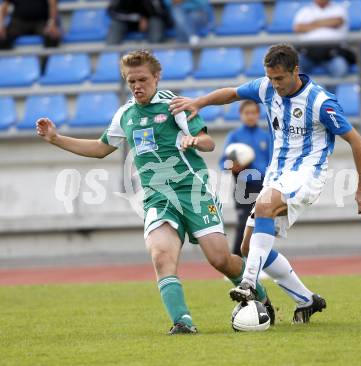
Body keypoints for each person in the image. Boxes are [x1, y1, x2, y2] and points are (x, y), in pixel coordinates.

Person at [36, 50, 274, 334]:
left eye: (142, 79)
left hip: (193, 191)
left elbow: (209, 143)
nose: (137, 86)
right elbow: (100, 149)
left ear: (156, 77)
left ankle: (260, 297)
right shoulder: (125, 115)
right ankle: (182, 322)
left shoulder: (174, 106)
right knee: (161, 256)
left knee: (220, 259)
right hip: (158, 197)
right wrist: (56, 138)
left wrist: (193, 140)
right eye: (130, 81)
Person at [170, 44, 361, 323]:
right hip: (276, 174)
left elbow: (357, 140)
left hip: (307, 173)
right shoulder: (266, 87)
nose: (274, 84)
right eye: (270, 78)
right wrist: (198, 102)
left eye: (280, 78)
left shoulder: (320, 102)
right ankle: (306, 300)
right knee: (247, 247)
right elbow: (231, 93)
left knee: (264, 209)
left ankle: (249, 283)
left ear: (295, 71)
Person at [220, 100, 271, 256]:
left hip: (263, 185)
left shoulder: (266, 136)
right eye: (246, 113)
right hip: (243, 186)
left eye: (253, 113)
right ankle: (236, 261)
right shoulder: (234, 136)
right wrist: (231, 166)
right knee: (244, 223)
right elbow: (223, 162)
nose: (250, 116)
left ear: (258, 114)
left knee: (263, 225)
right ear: (241, 115)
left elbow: (272, 162)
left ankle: (259, 263)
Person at [293, 0, 355, 78]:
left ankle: (331, 90)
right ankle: (307, 90)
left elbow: (337, 21)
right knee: (292, 68)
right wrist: (326, 23)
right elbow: (298, 27)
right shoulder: (304, 11)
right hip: (308, 53)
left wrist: (311, 24)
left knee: (341, 68)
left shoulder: (339, 9)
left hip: (333, 53)